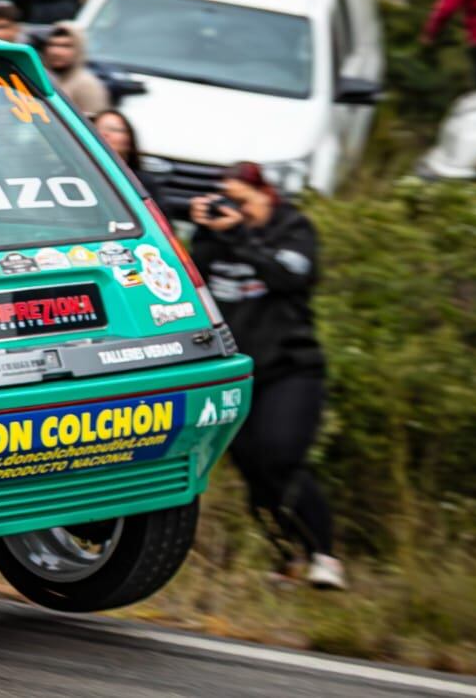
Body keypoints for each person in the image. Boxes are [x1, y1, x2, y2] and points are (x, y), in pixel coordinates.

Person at [189, 162, 343, 592]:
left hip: (291, 368)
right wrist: (206, 231)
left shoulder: (294, 229)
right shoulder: (217, 236)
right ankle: (287, 557)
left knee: (281, 458)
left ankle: (324, 554)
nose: (235, 210)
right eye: (227, 201)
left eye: (243, 202)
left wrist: (240, 235)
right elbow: (189, 281)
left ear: (267, 195)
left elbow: (291, 276)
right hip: (237, 373)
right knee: (252, 467)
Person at [40, 23, 111, 118]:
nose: (56, 52)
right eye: (52, 44)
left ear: (79, 50)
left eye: (66, 46)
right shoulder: (48, 78)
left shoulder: (86, 85)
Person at [92, 109, 161, 204]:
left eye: (113, 129)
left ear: (128, 139)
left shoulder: (142, 182)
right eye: (97, 129)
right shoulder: (80, 176)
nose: (104, 134)